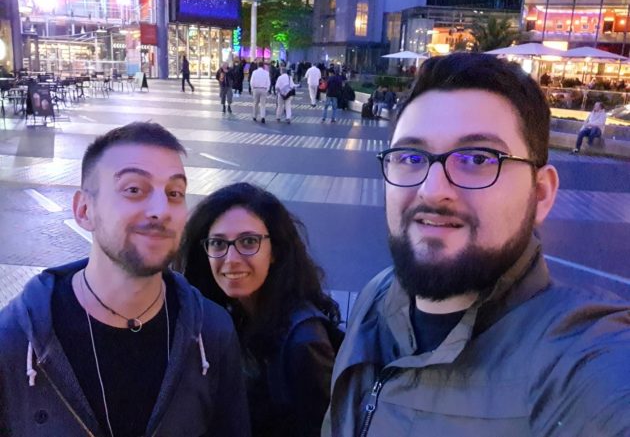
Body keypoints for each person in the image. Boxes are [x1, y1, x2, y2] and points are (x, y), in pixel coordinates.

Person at [322, 53, 630, 436]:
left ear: (541, 194)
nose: (432, 190)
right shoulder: (379, 296)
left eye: (477, 158)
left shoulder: (579, 362)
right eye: (411, 157)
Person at [0, 122, 250, 436]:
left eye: (174, 193)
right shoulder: (14, 341)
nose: (161, 209)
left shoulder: (211, 333)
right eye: (134, 189)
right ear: (84, 210)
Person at [175, 182, 340, 437]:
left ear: (275, 251)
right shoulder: (232, 314)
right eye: (218, 243)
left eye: (249, 242)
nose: (231, 259)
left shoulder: (303, 342)